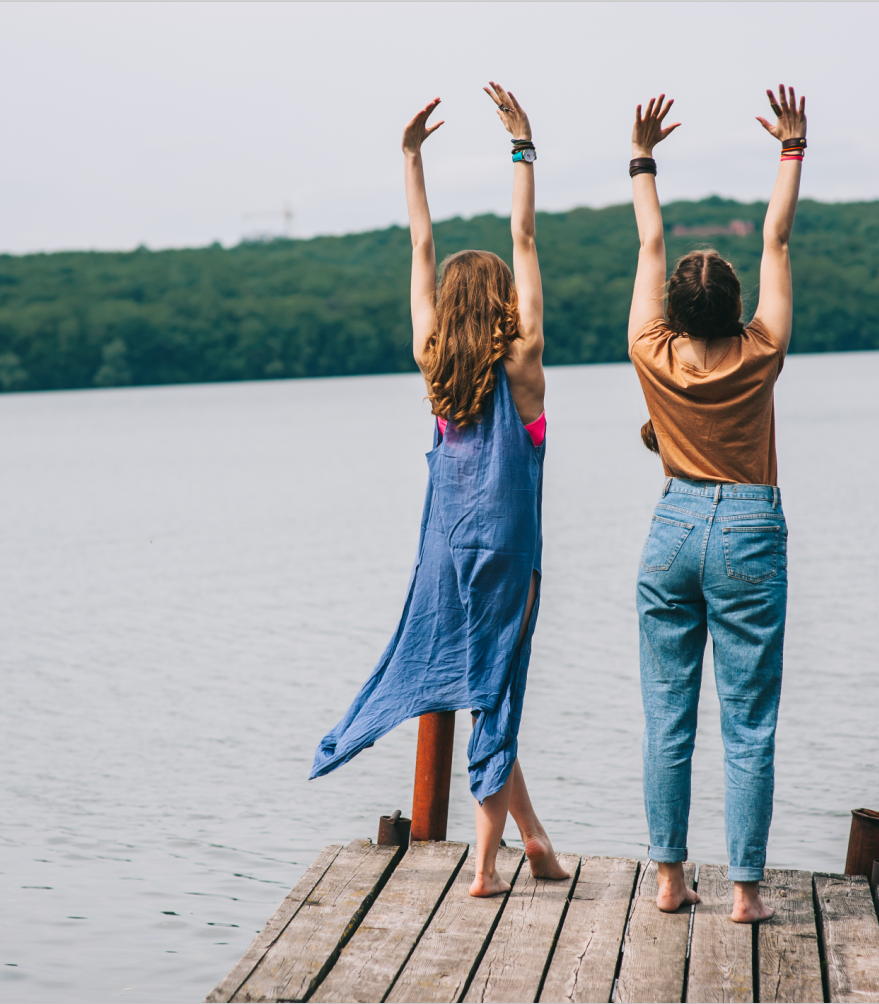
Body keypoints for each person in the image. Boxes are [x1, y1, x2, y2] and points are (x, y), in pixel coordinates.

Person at [310, 83, 569, 897]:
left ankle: (534, 841)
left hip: (441, 551)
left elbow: (421, 251)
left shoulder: (432, 360)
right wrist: (522, 148)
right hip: (507, 552)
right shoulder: (521, 366)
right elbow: (523, 238)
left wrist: (411, 159)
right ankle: (486, 869)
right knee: (497, 692)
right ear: (500, 308)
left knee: (482, 689)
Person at [625, 85, 806, 922]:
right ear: (735, 309)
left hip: (670, 528)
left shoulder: (648, 352)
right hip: (745, 528)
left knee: (667, 715)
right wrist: (790, 149)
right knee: (747, 721)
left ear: (674, 310)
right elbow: (775, 237)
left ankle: (667, 881)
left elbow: (649, 239)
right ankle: (743, 892)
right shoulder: (761, 353)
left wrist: (643, 158)